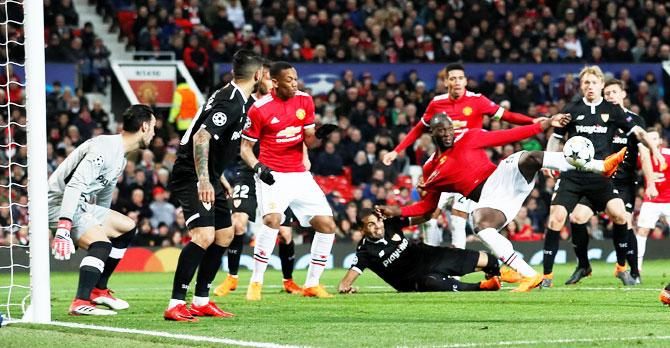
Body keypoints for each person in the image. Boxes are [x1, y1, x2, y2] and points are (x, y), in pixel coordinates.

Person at [376, 112, 625, 292]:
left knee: (528, 157)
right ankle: (530, 275)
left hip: (500, 178)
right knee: (481, 225)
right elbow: (427, 208)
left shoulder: (468, 137)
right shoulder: (431, 169)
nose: (448, 133)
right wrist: (396, 210)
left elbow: (506, 135)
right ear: (433, 132)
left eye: (450, 128)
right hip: (490, 200)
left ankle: (600, 166)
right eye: (442, 130)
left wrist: (545, 124)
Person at [383, 63, 541, 251]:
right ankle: (430, 259)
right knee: (430, 215)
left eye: (460, 78)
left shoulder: (478, 101)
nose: (457, 82)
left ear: (465, 81)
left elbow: (506, 116)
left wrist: (532, 121)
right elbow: (419, 128)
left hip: (469, 169)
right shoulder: (436, 103)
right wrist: (396, 150)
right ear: (446, 82)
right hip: (443, 167)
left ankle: (456, 269)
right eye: (452, 78)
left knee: (458, 220)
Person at [164, 49, 264, 322]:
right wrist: (206, 179)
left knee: (225, 234)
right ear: (258, 75)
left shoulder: (235, 98)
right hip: (192, 175)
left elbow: (216, 143)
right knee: (204, 236)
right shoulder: (231, 102)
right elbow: (201, 137)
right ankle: (175, 303)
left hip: (209, 174)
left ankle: (201, 301)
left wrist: (218, 177)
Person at [540, 66, 663, 286]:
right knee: (558, 217)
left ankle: (623, 268)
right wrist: (549, 159)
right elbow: (556, 136)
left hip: (600, 176)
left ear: (600, 85)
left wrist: (654, 149)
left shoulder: (613, 111)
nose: (589, 86)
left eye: (593, 82)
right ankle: (548, 276)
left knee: (621, 216)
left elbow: (637, 133)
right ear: (581, 85)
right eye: (585, 83)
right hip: (572, 174)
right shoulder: (572, 109)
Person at [241, 61, 338, 300]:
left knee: (327, 225)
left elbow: (309, 141)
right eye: (289, 80)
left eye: (296, 79)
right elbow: (245, 148)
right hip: (273, 175)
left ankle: (312, 284)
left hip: (299, 174)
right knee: (273, 220)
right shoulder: (259, 109)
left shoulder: (304, 100)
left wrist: (319, 136)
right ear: (274, 82)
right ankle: (256, 282)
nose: (295, 84)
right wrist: (258, 168)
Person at [48, 104, 156, 315]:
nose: (153, 133)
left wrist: (97, 223)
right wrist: (64, 227)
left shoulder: (121, 157)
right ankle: (80, 301)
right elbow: (74, 185)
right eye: (153, 127)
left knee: (127, 227)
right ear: (144, 126)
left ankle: (99, 290)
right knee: (101, 244)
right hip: (59, 203)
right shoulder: (105, 147)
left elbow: (105, 194)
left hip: (80, 204)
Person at [214, 61, 306, 296]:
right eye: (265, 78)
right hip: (247, 171)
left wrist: (304, 155)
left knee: (285, 234)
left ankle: (288, 281)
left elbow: (297, 131)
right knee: (238, 224)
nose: (268, 82)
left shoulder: (284, 104)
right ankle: (232, 278)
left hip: (277, 172)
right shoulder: (245, 105)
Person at [337, 209, 502, 294]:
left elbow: (424, 216)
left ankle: (493, 274)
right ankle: (483, 287)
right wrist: (346, 288)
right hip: (415, 280)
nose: (378, 226)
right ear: (362, 229)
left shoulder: (391, 223)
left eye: (378, 221)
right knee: (432, 283)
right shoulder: (365, 251)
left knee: (491, 261)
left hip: (430, 257)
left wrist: (429, 205)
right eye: (370, 224)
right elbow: (345, 282)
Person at [636, 129, 670, 280]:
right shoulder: (641, 156)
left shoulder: (668, 154)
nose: (653, 141)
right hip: (650, 200)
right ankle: (636, 269)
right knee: (642, 231)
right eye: (650, 139)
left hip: (669, 200)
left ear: (660, 140)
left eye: (655, 138)